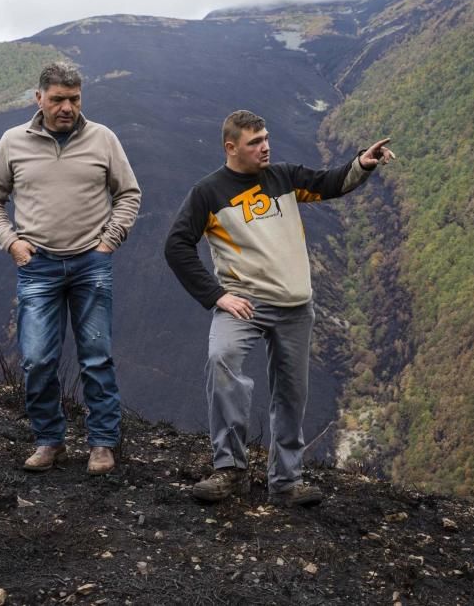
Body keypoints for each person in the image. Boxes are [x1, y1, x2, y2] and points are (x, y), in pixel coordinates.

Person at [164, 109, 393, 506]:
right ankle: (230, 471)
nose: (265, 146)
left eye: (266, 138)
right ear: (231, 147)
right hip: (244, 303)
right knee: (223, 360)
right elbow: (176, 245)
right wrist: (216, 296)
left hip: (295, 306)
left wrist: (362, 164)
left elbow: (329, 183)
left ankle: (286, 483)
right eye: (255, 142)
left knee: (292, 394)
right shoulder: (209, 192)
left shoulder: (283, 176)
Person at [0, 61, 141, 474]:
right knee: (36, 360)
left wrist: (109, 241)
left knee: (97, 357)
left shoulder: (103, 139)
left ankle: (103, 444)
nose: (67, 107)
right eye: (57, 99)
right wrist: (12, 242)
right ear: (39, 99)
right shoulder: (13, 142)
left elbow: (128, 194)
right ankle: (49, 440)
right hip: (38, 267)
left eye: (74, 98)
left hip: (91, 263)